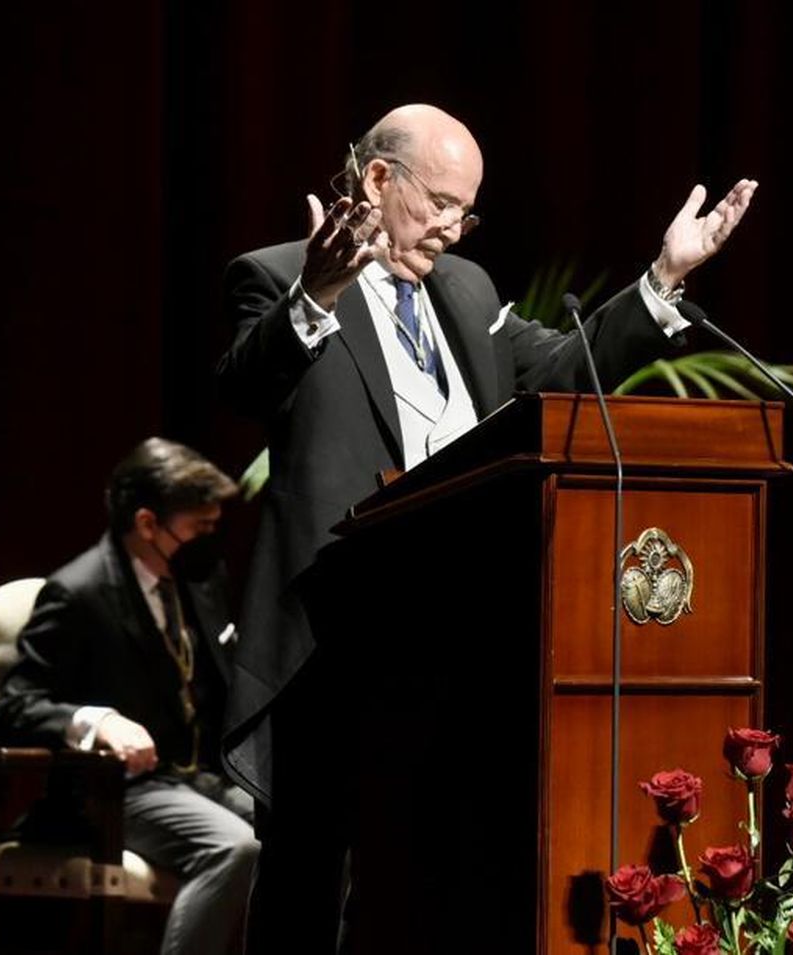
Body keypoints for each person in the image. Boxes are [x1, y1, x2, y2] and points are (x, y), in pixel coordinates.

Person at [215, 102, 757, 950]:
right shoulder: (276, 273)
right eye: (439, 204)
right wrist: (315, 294)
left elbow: (557, 370)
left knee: (432, 871)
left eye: (466, 212)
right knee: (311, 870)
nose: (452, 229)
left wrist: (660, 281)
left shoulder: (464, 290)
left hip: (457, 628)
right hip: (334, 630)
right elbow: (245, 390)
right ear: (378, 178)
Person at [0, 437, 257, 955]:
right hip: (115, 792)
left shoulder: (194, 582)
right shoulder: (79, 591)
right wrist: (96, 721)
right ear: (146, 524)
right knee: (237, 847)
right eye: (198, 528)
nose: (209, 539)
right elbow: (17, 705)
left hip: (194, 777)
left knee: (313, 833)